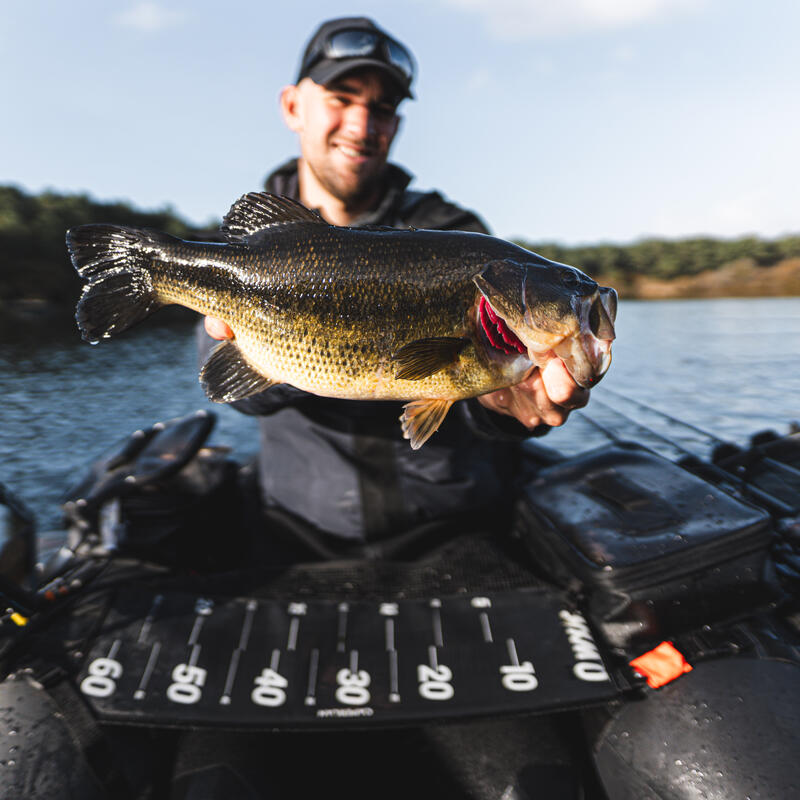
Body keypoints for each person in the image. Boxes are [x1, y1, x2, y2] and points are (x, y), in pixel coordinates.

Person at [200, 16, 589, 553]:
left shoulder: (457, 236)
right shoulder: (256, 251)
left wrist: (508, 409)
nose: (362, 125)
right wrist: (269, 343)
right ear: (293, 106)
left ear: (397, 124)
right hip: (299, 530)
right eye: (341, 97)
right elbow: (223, 378)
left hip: (453, 527)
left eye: (382, 108)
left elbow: (481, 384)